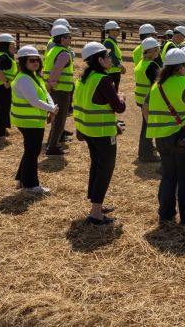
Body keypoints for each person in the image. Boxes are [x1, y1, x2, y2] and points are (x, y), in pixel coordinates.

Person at [144, 48, 185, 225]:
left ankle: (165, 214)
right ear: (183, 67)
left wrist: (156, 125)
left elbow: (145, 108)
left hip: (162, 138)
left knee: (168, 175)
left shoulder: (156, 86)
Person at [73, 42, 125, 225]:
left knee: (96, 165)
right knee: (105, 168)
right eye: (108, 57)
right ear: (100, 60)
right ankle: (95, 212)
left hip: (88, 130)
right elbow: (119, 107)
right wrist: (122, 98)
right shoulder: (103, 80)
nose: (110, 59)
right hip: (102, 132)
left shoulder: (83, 79)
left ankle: (96, 202)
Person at [11, 46, 57, 194]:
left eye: (37, 60)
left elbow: (45, 93)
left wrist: (52, 107)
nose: (36, 63)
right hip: (28, 122)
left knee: (30, 150)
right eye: (32, 60)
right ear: (23, 62)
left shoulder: (34, 76)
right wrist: (51, 109)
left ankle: (21, 179)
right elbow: (34, 101)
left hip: (33, 121)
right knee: (32, 151)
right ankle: (31, 185)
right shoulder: (24, 79)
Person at [43, 24, 74, 155]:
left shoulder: (52, 50)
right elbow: (56, 72)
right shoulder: (64, 54)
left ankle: (51, 144)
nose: (71, 39)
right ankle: (52, 147)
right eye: (69, 37)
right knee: (60, 120)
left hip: (55, 90)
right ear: (62, 39)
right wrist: (50, 87)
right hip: (60, 91)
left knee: (55, 118)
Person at [134, 37, 162, 162]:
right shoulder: (152, 65)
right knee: (148, 127)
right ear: (151, 51)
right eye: (157, 50)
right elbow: (157, 84)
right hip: (149, 101)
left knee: (146, 125)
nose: (158, 52)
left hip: (141, 99)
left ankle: (144, 151)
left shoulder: (141, 63)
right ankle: (146, 154)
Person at [103, 20, 127, 91]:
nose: (119, 31)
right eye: (117, 30)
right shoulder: (108, 42)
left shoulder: (112, 42)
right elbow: (111, 55)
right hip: (111, 72)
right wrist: (120, 66)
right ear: (111, 31)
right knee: (112, 92)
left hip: (115, 71)